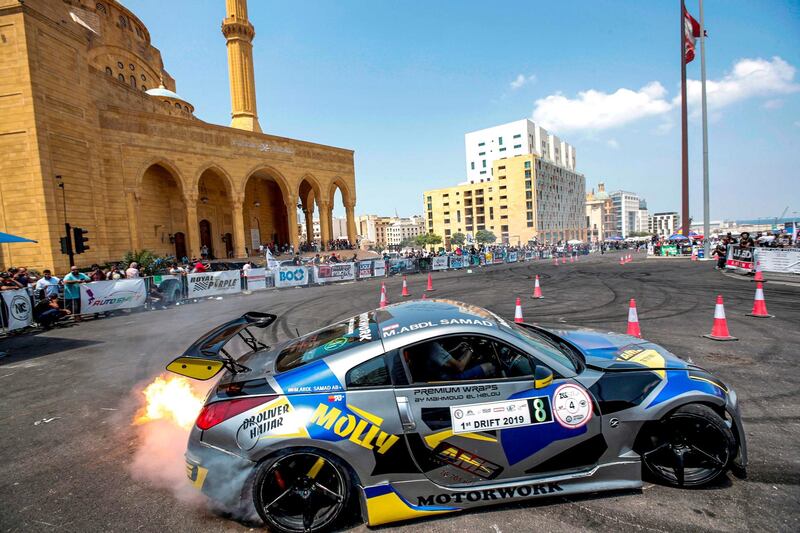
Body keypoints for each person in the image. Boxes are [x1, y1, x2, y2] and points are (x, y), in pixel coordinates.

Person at [423, 340, 495, 381]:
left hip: (439, 373)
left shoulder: (429, 341)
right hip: (446, 378)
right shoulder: (433, 347)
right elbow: (460, 367)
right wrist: (471, 349)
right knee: (489, 366)